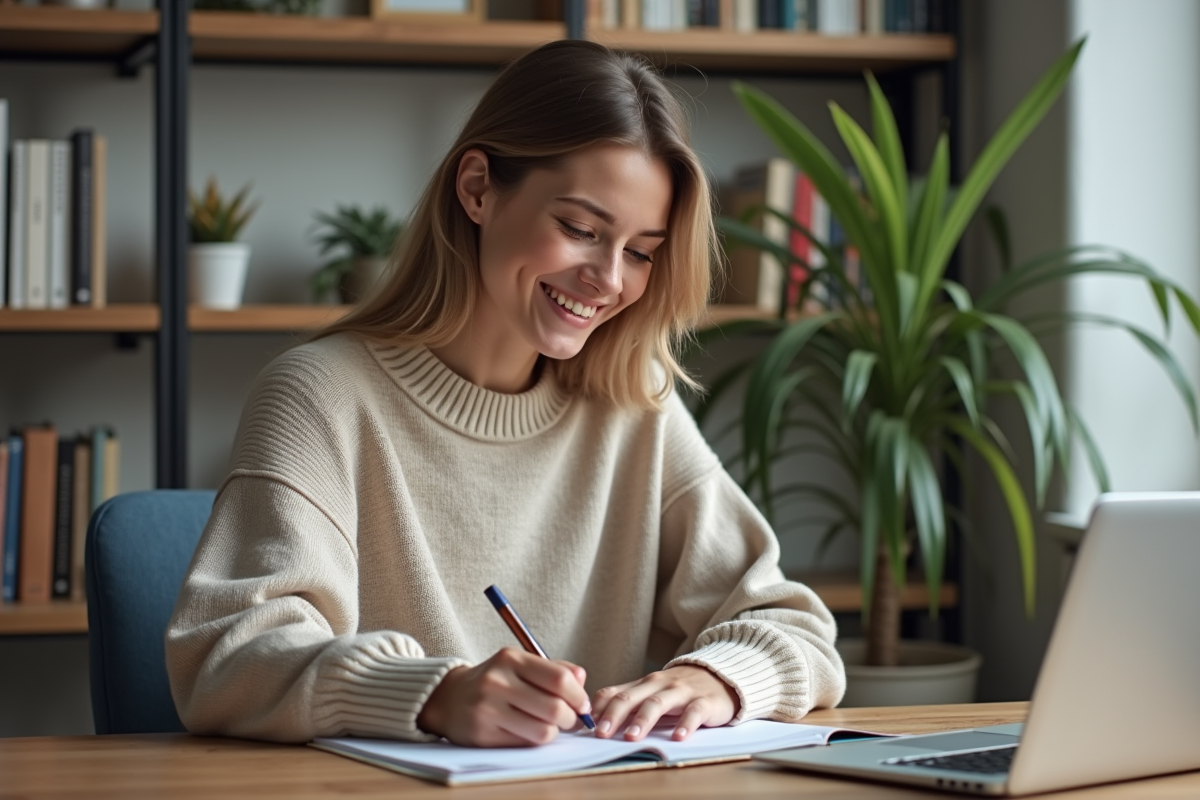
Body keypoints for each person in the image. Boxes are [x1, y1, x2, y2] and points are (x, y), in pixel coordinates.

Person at [165, 38, 845, 749]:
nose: (610, 279)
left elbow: (796, 627)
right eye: (581, 229)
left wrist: (719, 678)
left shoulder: (631, 404)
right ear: (478, 189)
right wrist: (432, 696)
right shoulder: (320, 397)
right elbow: (225, 659)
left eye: (641, 251)